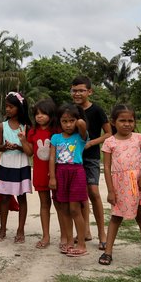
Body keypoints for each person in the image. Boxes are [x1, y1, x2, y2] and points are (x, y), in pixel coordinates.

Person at [99, 105, 141, 268]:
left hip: (137, 184)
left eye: (130, 120)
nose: (127, 124)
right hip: (119, 185)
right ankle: (108, 252)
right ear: (113, 122)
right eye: (122, 120)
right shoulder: (109, 142)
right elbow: (107, 168)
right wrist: (110, 190)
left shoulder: (138, 138)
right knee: (116, 217)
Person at [71, 76, 111, 249]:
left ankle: (102, 233)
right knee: (80, 196)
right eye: (74, 90)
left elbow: (109, 133)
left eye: (81, 90)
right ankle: (85, 231)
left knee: (93, 192)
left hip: (91, 157)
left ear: (89, 91)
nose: (78, 93)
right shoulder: (71, 110)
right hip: (73, 157)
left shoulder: (97, 110)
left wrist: (92, 142)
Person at [49, 103, 89, 257]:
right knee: (64, 209)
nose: (68, 124)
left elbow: (82, 125)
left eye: (71, 121)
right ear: (59, 121)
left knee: (75, 209)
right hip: (60, 172)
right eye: (64, 121)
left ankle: (81, 243)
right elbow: (52, 157)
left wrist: (77, 118)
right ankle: (69, 241)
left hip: (76, 172)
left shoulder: (80, 136)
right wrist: (52, 177)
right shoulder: (55, 137)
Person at [0, 92, 32, 243]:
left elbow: (30, 151)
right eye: (7, 107)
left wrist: (19, 145)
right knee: (4, 198)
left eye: (11, 107)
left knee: (22, 197)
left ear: (19, 108)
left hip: (21, 165)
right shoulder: (2, 126)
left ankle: (20, 230)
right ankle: (2, 229)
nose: (8, 109)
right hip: (6, 165)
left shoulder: (26, 127)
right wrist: (4, 146)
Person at [28, 98, 60, 249]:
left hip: (57, 172)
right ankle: (46, 236)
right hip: (40, 173)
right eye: (37, 114)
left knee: (60, 205)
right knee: (44, 204)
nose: (39, 116)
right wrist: (22, 140)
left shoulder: (57, 131)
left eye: (43, 113)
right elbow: (29, 152)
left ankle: (65, 236)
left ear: (51, 114)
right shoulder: (32, 132)